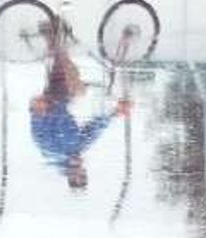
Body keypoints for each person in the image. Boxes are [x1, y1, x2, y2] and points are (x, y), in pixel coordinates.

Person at [29, 17, 130, 189]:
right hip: (63, 99)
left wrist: (38, 111)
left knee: (69, 71)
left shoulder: (52, 151)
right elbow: (94, 129)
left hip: (51, 102)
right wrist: (115, 113)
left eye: (77, 172)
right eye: (82, 171)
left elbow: (38, 133)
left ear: (70, 174)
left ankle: (52, 34)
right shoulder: (77, 148)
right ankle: (52, 35)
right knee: (71, 76)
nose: (80, 166)